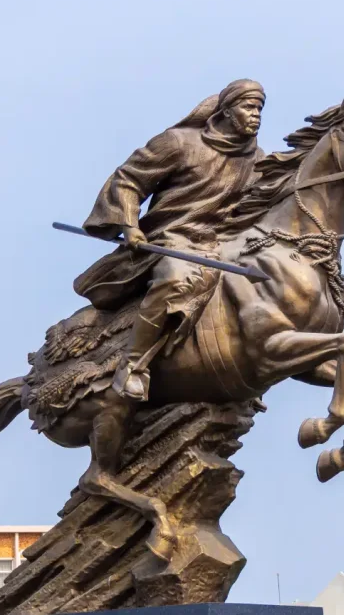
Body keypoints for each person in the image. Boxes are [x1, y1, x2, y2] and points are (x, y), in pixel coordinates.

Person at [73, 79, 266, 401]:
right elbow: (128, 180)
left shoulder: (257, 159)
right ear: (227, 110)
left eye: (260, 108)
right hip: (171, 240)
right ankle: (132, 367)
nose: (256, 114)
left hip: (220, 246)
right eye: (249, 106)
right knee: (176, 278)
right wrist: (130, 226)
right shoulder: (179, 142)